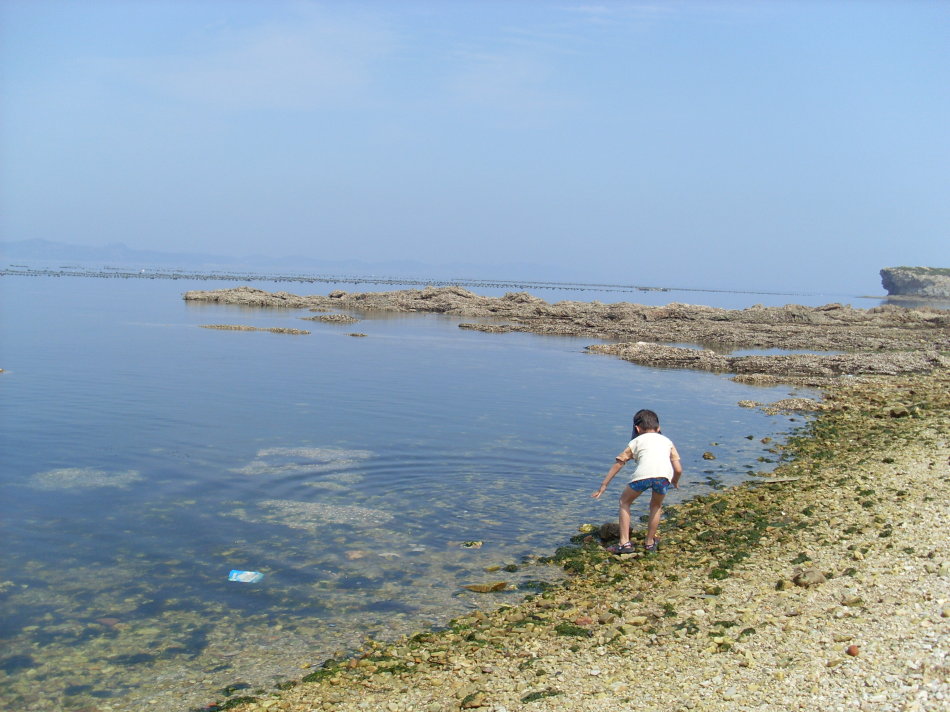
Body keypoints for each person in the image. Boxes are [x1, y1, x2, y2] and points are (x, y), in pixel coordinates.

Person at [591, 409, 682, 554]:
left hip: (643, 476)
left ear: (637, 428)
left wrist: (604, 485)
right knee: (656, 506)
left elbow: (619, 463)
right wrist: (675, 481)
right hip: (663, 477)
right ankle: (649, 543)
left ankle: (624, 543)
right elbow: (678, 469)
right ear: (658, 428)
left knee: (624, 502)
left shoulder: (636, 441)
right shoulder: (667, 441)